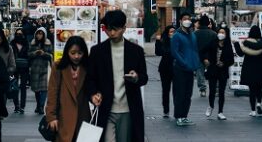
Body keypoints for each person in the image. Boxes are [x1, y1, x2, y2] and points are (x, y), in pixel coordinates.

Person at [85, 9, 148, 142]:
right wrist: (93, 94)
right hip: (106, 108)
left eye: (115, 29)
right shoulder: (97, 51)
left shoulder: (136, 51)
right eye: (108, 29)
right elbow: (90, 78)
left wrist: (136, 77)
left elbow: (144, 78)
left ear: (124, 28)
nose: (111, 33)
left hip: (128, 108)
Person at [45, 36, 91, 142]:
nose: (76, 56)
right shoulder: (58, 66)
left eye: (80, 53)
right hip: (63, 116)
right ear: (67, 52)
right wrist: (51, 117)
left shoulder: (87, 67)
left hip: (83, 115)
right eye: (73, 53)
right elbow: (53, 92)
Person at [170, 12, 201, 126]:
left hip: (190, 68)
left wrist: (196, 63)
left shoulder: (192, 34)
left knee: (188, 94)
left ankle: (184, 116)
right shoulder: (177, 35)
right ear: (180, 21)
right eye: (185, 19)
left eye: (189, 19)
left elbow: (195, 50)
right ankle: (178, 116)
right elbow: (175, 52)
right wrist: (184, 63)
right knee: (180, 93)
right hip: (180, 68)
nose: (187, 20)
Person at [201, 26, 235, 120]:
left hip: (222, 71)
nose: (221, 34)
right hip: (212, 70)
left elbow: (231, 60)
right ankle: (211, 106)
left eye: (223, 32)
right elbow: (202, 51)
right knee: (212, 91)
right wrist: (205, 59)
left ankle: (220, 112)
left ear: (226, 34)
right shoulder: (213, 42)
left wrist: (224, 63)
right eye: (219, 32)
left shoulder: (228, 46)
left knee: (221, 92)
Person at [238, 25, 262, 117]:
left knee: (252, 90)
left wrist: (236, 44)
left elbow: (240, 53)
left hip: (249, 67)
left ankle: (253, 110)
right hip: (261, 67)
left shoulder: (247, 42)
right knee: (259, 88)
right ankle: (259, 103)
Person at [29, 27, 54, 114]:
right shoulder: (32, 43)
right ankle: (38, 104)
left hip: (45, 67)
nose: (39, 35)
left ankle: (41, 106)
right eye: (38, 33)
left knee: (44, 88)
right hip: (35, 68)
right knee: (36, 89)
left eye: (41, 33)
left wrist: (44, 54)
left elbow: (51, 54)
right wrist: (34, 53)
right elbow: (28, 54)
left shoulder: (48, 43)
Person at [154, 25, 176, 118]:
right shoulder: (164, 41)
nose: (173, 33)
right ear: (167, 33)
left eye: (174, 32)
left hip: (176, 69)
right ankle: (166, 110)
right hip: (165, 69)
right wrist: (158, 41)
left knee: (177, 91)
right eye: (171, 32)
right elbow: (158, 52)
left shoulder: (178, 41)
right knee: (166, 90)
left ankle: (177, 110)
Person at [193, 15, 216, 97]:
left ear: (199, 23)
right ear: (208, 23)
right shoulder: (213, 34)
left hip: (199, 57)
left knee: (200, 73)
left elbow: (194, 47)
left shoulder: (195, 34)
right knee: (213, 73)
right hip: (211, 57)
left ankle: (203, 90)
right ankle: (215, 89)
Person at [11, 28, 31, 114]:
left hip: (24, 67)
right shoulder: (12, 43)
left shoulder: (27, 43)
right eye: (17, 33)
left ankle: (22, 106)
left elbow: (29, 55)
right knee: (14, 86)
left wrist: (29, 66)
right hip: (14, 67)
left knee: (23, 87)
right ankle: (16, 105)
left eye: (20, 34)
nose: (18, 35)